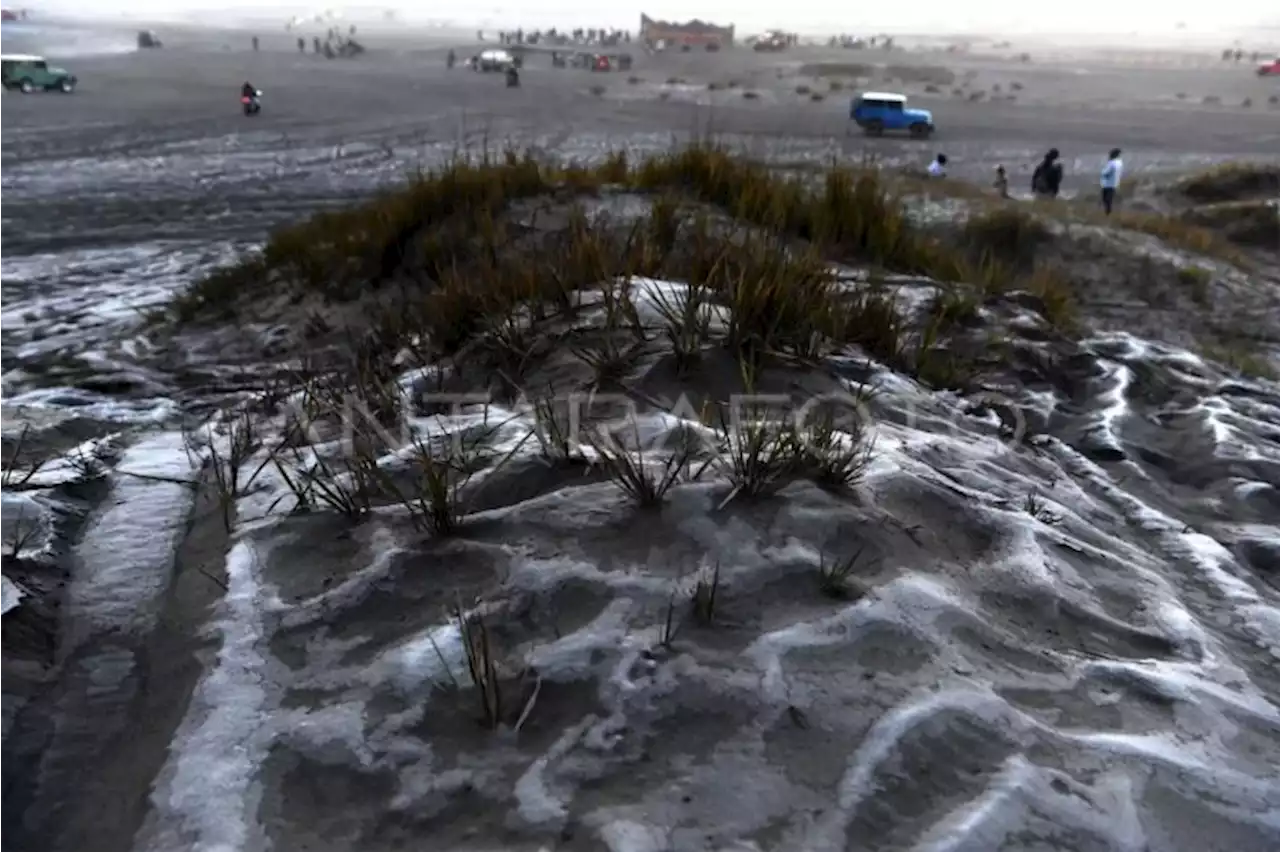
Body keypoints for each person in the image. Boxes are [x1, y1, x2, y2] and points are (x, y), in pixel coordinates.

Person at [1100, 148, 1123, 215]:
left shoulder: (1112, 163)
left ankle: (1108, 212)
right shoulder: (1118, 163)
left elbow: (1106, 172)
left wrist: (1103, 173)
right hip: (1114, 184)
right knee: (1109, 199)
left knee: (1106, 199)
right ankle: (1109, 212)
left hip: (1108, 184)